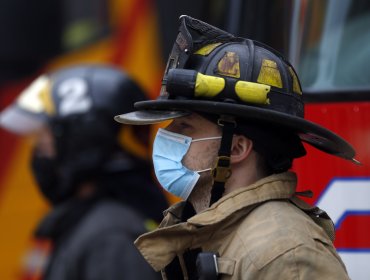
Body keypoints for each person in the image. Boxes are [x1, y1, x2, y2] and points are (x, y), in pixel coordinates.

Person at [114, 16, 358, 279]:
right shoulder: (203, 233)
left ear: (236, 148)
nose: (164, 135)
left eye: (185, 127)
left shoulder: (287, 256)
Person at [0, 65, 168, 280]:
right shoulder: (96, 225)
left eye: (44, 140)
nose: (39, 152)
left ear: (81, 141)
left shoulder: (110, 238)